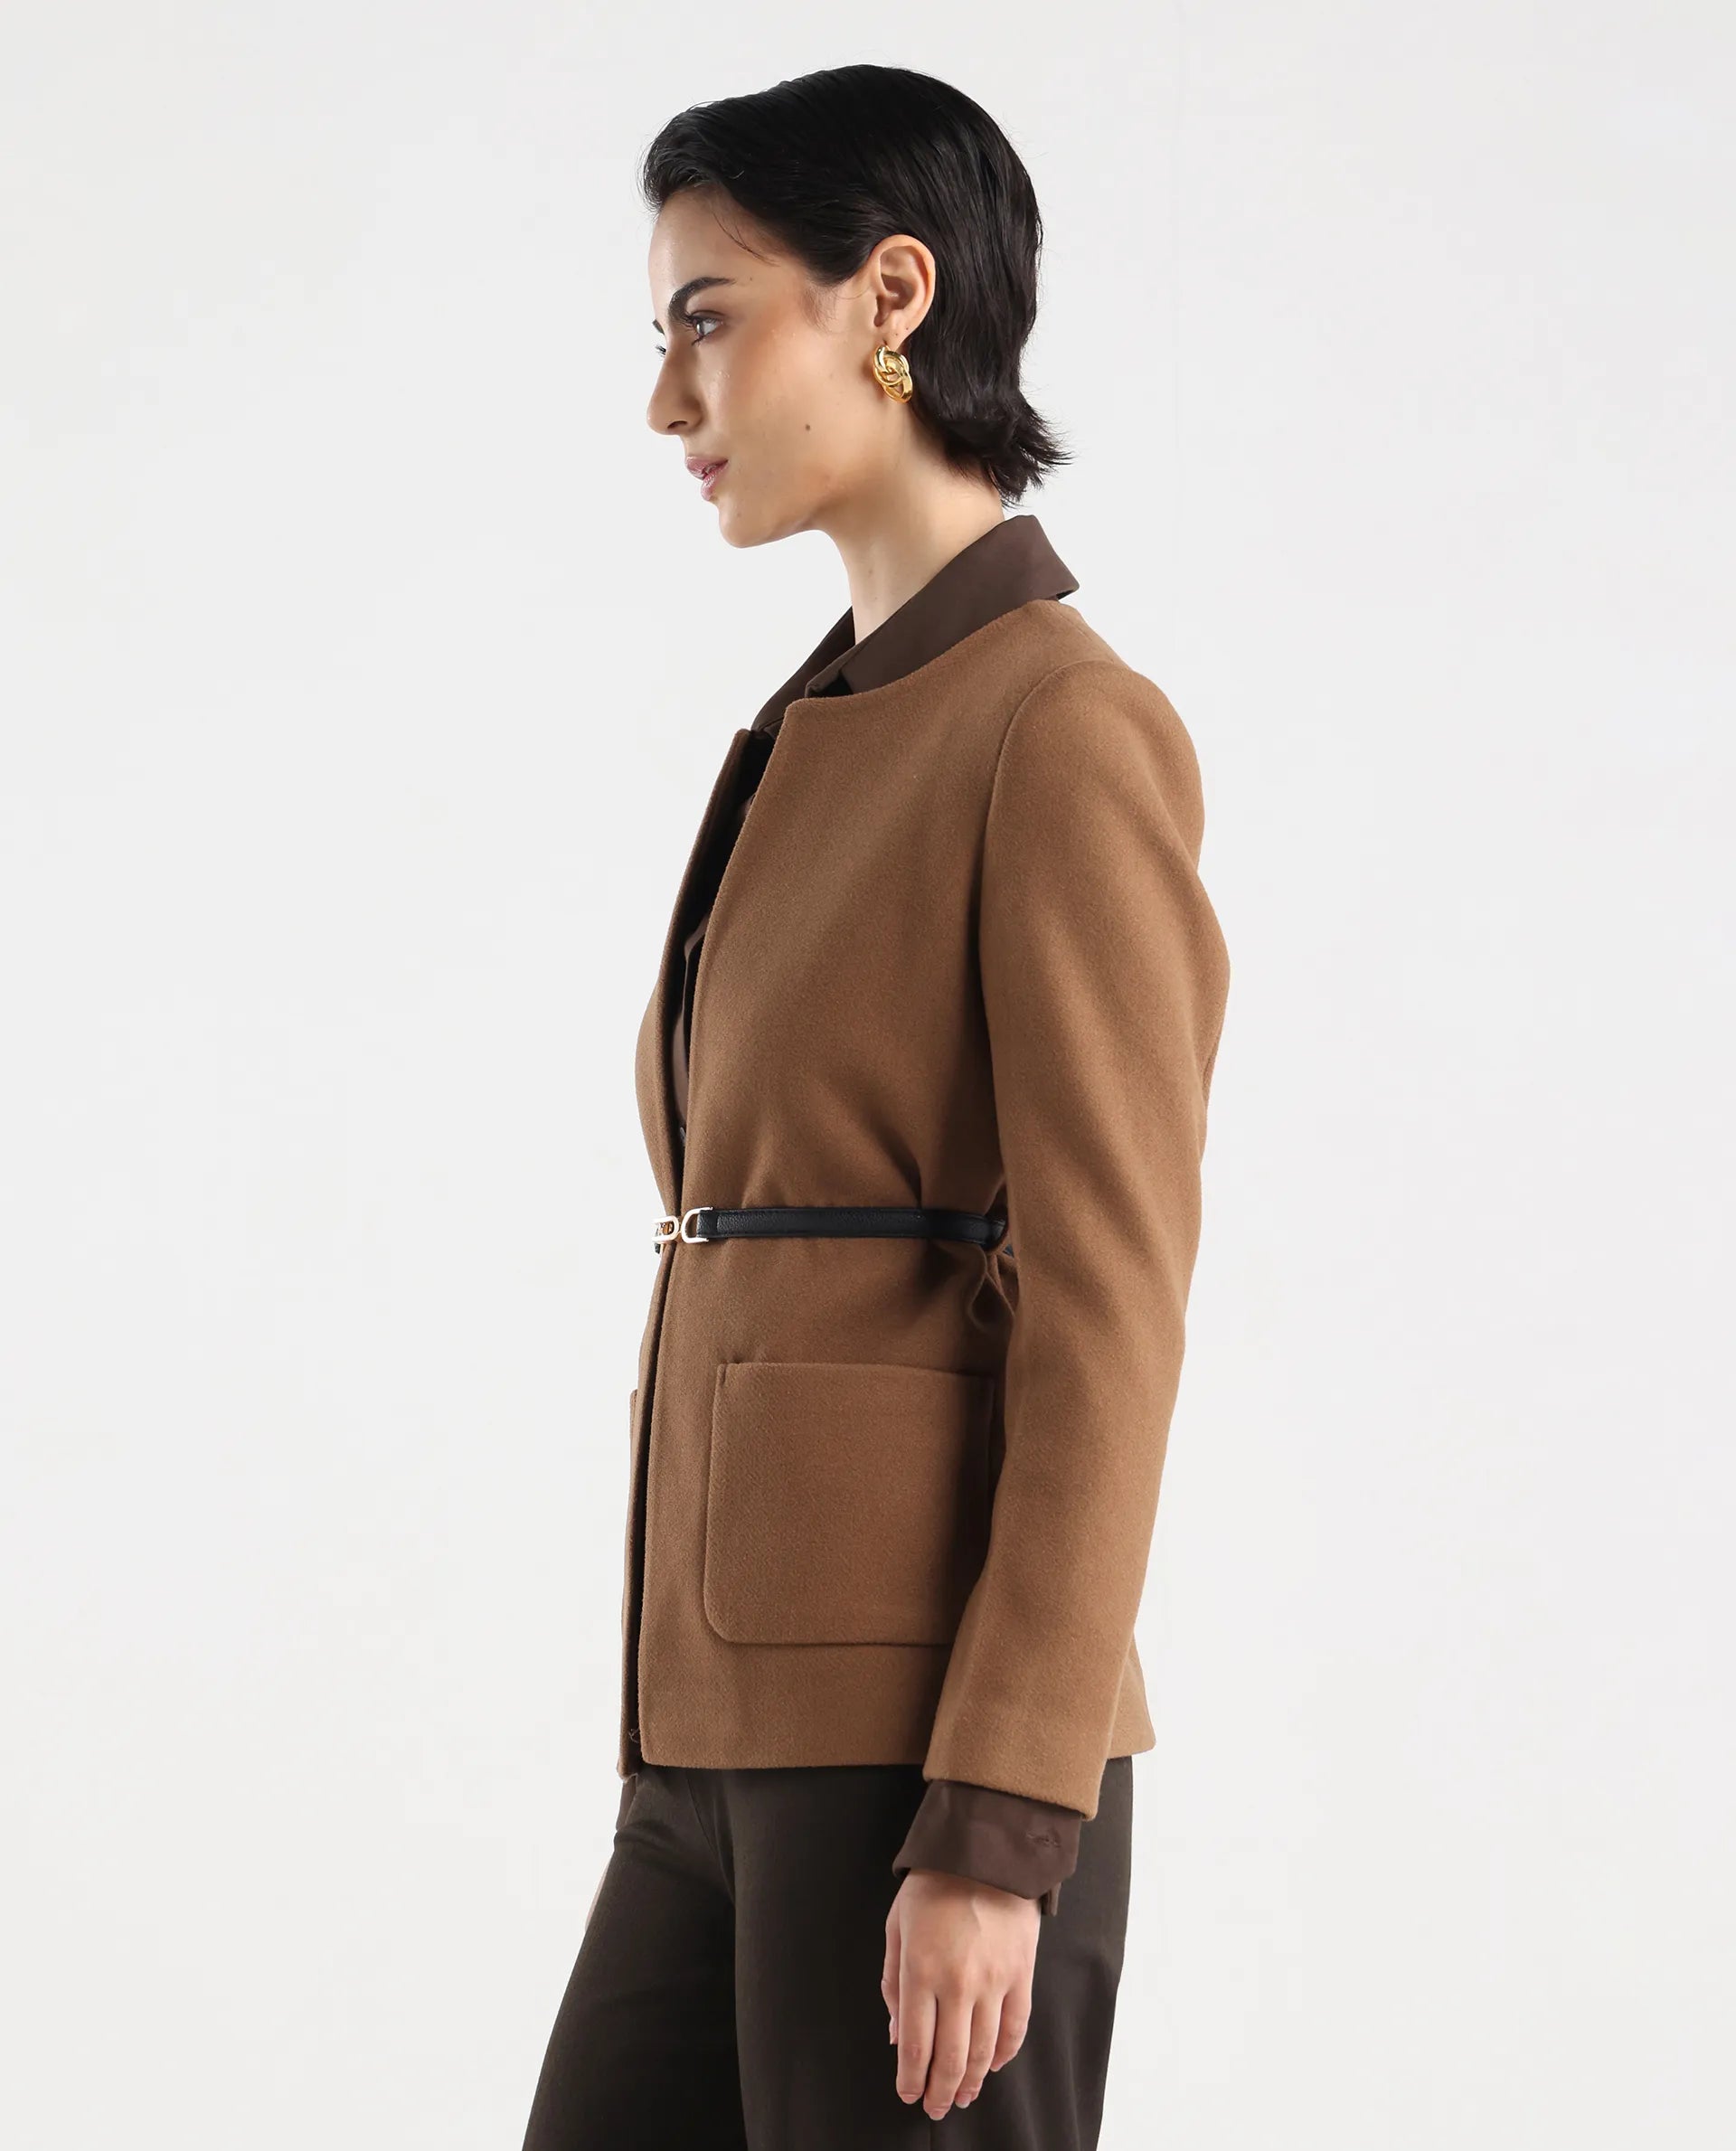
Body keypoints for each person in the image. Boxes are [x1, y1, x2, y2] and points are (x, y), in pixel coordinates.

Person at [521, 62, 1231, 2151]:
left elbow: (1112, 1303)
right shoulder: (825, 719)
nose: (671, 397)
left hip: (927, 1742)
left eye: (709, 316)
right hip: (711, 1727)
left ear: (892, 296)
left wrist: (1002, 1817)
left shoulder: (1060, 727)